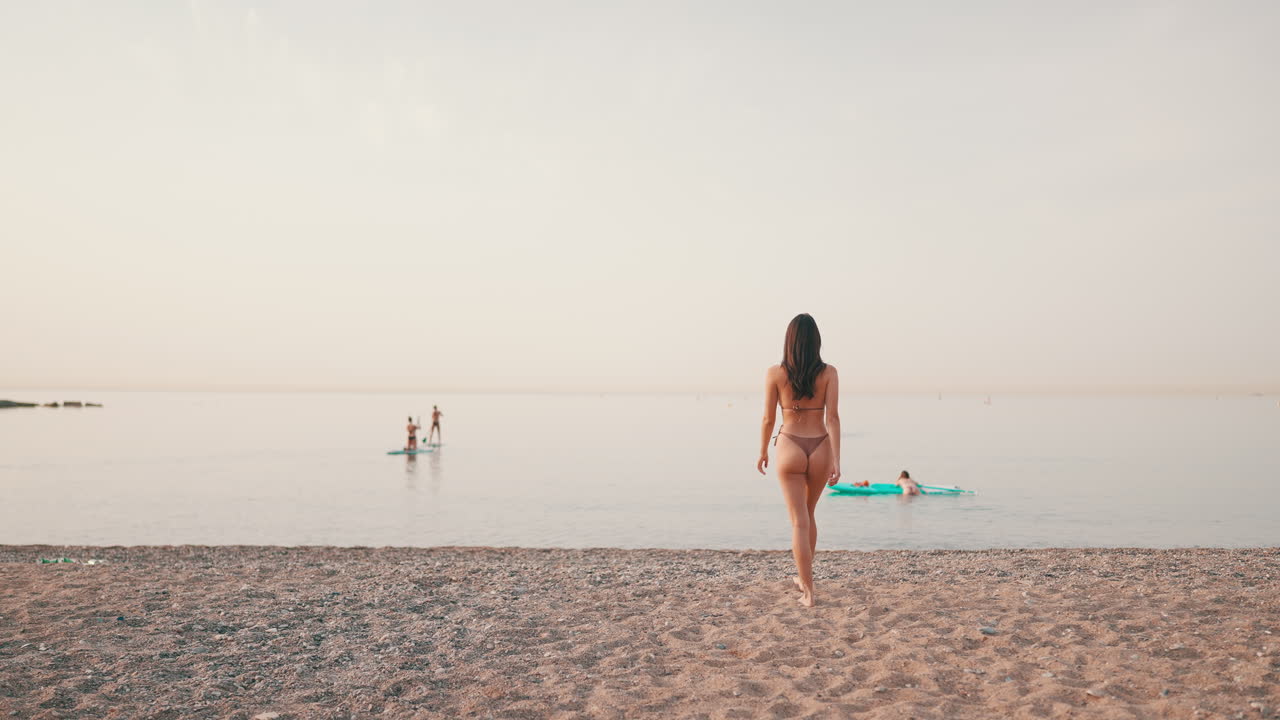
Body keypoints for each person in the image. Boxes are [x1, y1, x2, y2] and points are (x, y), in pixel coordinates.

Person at [757, 313, 841, 607]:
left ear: (789, 341)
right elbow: (832, 418)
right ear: (816, 341)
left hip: (790, 444)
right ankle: (804, 579)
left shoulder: (775, 373)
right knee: (809, 514)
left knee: (798, 522)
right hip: (820, 446)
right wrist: (837, 460)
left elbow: (768, 418)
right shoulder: (829, 372)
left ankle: (807, 590)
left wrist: (763, 450)